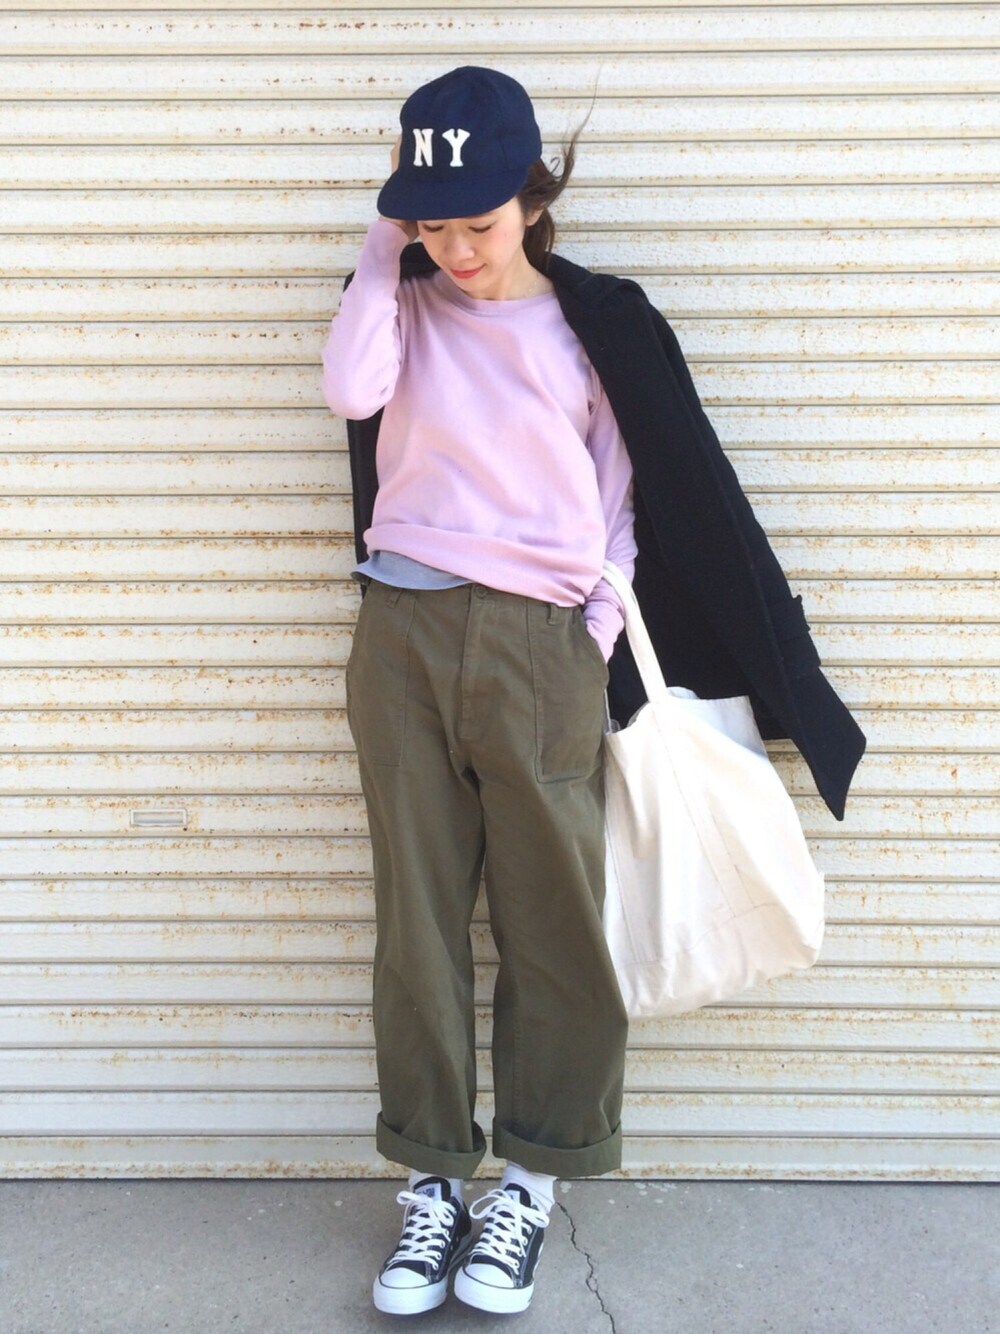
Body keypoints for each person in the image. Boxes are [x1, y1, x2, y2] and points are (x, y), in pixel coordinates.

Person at [322, 65, 635, 1316]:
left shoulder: (591, 327)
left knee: (556, 920)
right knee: (417, 921)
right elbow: (350, 391)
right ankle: (433, 1179)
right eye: (432, 223)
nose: (456, 248)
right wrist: (378, 246)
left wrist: (591, 632)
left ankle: (533, 1182)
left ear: (533, 202)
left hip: (541, 646)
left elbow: (622, 494)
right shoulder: (401, 306)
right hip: (401, 630)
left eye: (480, 222)